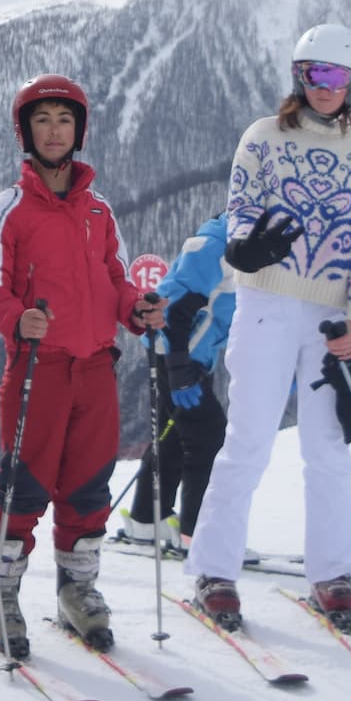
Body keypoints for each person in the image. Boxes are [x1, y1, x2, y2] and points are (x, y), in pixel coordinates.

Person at [186, 24, 351, 634]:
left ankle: (333, 573)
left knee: (327, 450)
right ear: (299, 77)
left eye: (339, 77)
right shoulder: (264, 138)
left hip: (328, 317)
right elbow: (242, 206)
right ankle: (215, 571)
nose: (326, 88)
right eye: (316, 74)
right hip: (268, 303)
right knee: (248, 438)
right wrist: (243, 252)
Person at [0, 75, 165, 656]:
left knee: (87, 487)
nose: (54, 131)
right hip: (38, 370)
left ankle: (77, 590)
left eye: (64, 120)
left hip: (96, 369)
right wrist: (15, 318)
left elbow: (117, 278)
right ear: (24, 131)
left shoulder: (98, 211)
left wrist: (138, 309)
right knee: (24, 486)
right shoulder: (10, 209)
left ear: (78, 130)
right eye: (42, 120)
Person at [118, 210, 234, 554]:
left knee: (171, 435)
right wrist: (180, 367)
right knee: (207, 437)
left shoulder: (251, 240)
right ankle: (199, 535)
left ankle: (145, 521)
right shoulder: (216, 244)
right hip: (176, 350)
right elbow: (178, 305)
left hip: (188, 352)